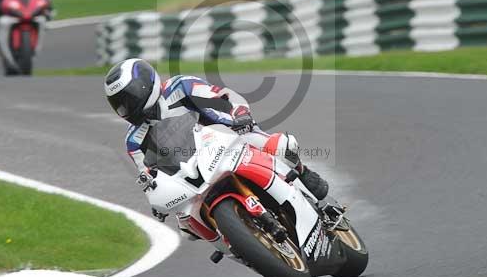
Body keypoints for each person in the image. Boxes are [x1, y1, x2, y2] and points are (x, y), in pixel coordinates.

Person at [104, 58, 330, 209]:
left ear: (145, 85)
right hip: (193, 176)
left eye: (129, 98)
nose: (126, 107)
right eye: (119, 104)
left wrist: (239, 113)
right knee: (187, 226)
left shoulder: (180, 86)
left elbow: (223, 97)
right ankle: (243, 244)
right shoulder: (133, 140)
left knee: (282, 146)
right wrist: (156, 196)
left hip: (233, 139)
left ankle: (303, 172)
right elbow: (148, 177)